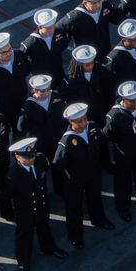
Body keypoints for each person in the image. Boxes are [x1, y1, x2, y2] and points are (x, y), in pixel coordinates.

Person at [1, 137, 68, 271]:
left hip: (41, 204)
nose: (31, 159)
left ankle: (49, 247)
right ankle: (23, 263)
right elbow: (3, 194)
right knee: (24, 236)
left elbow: (44, 172)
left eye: (32, 156)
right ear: (17, 157)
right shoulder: (13, 176)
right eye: (27, 157)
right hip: (25, 211)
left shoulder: (40, 160)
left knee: (44, 227)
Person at [53, 103, 114, 250]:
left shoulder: (92, 127)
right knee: (74, 206)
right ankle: (75, 236)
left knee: (95, 197)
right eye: (79, 121)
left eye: (85, 119)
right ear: (71, 122)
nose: (84, 123)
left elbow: (100, 139)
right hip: (75, 178)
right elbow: (57, 164)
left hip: (93, 171)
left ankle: (99, 220)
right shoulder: (66, 141)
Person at [103, 81, 136, 221]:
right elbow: (108, 134)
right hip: (124, 152)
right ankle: (123, 207)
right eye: (132, 101)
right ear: (124, 99)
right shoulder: (114, 115)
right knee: (123, 179)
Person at [17, 75, 67, 196]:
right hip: (41, 144)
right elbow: (21, 127)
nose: (46, 93)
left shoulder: (56, 98)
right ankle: (41, 193)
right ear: (34, 90)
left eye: (48, 89)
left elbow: (65, 117)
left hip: (57, 139)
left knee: (58, 166)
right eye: (42, 91)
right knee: (41, 169)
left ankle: (60, 189)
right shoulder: (28, 106)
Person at [55, 0, 123, 59]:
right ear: (84, 3)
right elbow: (59, 28)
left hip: (106, 52)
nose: (98, 5)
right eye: (93, 3)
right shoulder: (75, 17)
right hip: (87, 57)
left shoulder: (105, 5)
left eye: (99, 1)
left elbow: (115, 18)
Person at [59, 44, 110, 126]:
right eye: (87, 65)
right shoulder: (71, 80)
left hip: (100, 109)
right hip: (85, 114)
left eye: (92, 64)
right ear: (78, 65)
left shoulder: (98, 71)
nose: (90, 67)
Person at [20, 8, 69, 89]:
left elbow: (64, 43)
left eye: (53, 27)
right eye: (48, 29)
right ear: (39, 27)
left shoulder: (59, 33)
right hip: (41, 78)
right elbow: (22, 60)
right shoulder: (30, 43)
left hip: (58, 72)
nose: (52, 31)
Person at [103, 19, 136, 94]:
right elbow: (106, 79)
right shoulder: (114, 57)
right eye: (132, 41)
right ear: (124, 40)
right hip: (126, 91)